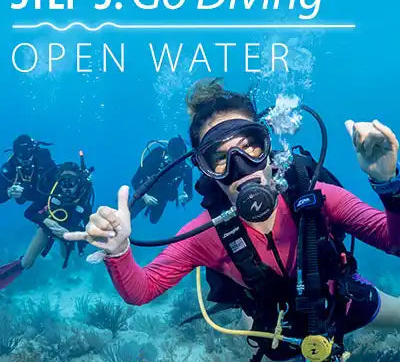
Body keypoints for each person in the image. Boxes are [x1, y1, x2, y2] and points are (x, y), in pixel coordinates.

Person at [65, 79, 400, 362]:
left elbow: (393, 241)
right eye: (221, 159)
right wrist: (118, 251)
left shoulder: (315, 196)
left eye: (250, 148)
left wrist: (388, 184)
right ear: (206, 169)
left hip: (342, 304)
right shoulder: (205, 235)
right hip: (273, 331)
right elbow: (141, 291)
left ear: (268, 148)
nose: (241, 168)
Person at [0, 158, 94, 289]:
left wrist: (70, 233)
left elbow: (90, 230)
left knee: (66, 257)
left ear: (79, 182)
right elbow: (29, 212)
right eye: (63, 182)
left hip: (67, 235)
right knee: (26, 262)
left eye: (71, 182)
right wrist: (46, 221)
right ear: (58, 182)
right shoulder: (51, 194)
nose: (67, 187)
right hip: (47, 228)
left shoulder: (83, 203)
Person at [130, 136, 193, 224]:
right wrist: (144, 196)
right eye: (171, 156)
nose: (172, 162)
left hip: (162, 197)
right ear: (167, 150)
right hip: (144, 191)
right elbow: (135, 180)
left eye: (176, 159)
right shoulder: (156, 155)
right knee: (129, 215)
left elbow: (189, 193)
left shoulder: (185, 168)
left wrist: (185, 198)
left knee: (154, 220)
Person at [0, 134, 56, 205]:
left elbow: (56, 179)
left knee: (29, 214)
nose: (25, 160)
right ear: (15, 155)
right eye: (20, 156)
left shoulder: (43, 160)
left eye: (28, 155)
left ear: (33, 151)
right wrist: (7, 193)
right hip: (28, 196)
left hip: (45, 194)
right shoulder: (9, 168)